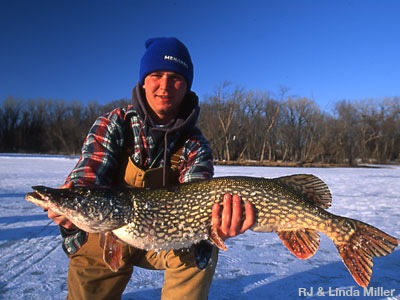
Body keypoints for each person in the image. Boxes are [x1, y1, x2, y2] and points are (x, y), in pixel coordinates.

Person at [46, 37, 255, 300]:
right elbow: (88, 177)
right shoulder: (114, 124)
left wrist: (219, 224)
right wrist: (73, 199)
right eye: (156, 74)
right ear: (144, 80)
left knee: (201, 248)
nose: (165, 85)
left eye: (176, 77)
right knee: (93, 241)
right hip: (110, 232)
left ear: (187, 86)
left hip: (170, 238)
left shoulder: (195, 144)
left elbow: (199, 199)